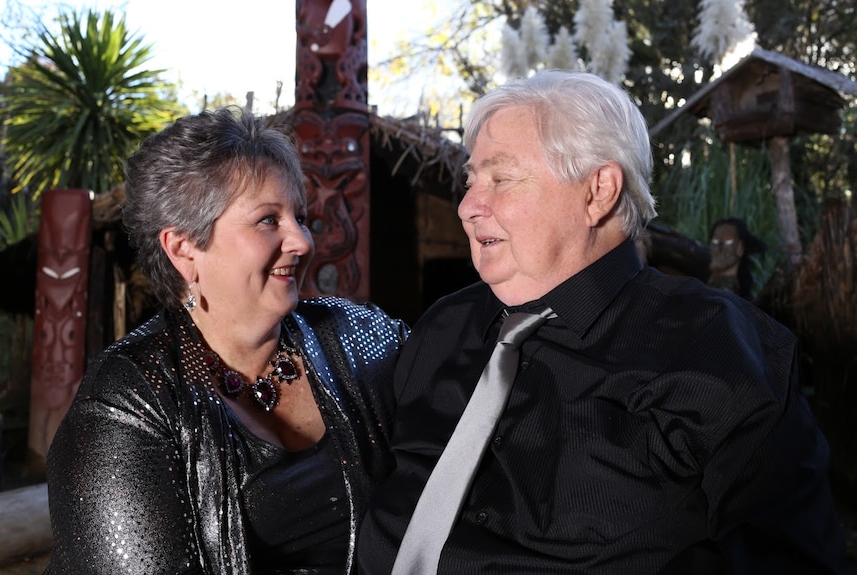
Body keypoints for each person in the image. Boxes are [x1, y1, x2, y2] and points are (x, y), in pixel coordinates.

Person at [357, 71, 849, 574]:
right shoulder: (441, 328)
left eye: (501, 179)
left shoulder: (721, 353)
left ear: (598, 191)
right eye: (471, 180)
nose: (466, 207)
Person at [45, 108, 407, 574]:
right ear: (183, 248)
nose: (301, 240)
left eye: (299, 216)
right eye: (267, 221)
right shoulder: (125, 401)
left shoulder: (357, 337)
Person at [707, 216, 765, 299]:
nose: (718, 248)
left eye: (728, 242)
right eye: (715, 241)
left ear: (740, 249)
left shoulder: (728, 294)